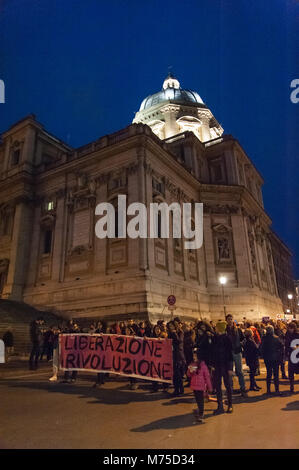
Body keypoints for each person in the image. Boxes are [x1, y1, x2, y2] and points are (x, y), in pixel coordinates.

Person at [211, 320, 233, 414]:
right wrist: (212, 365)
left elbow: (230, 354)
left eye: (216, 327)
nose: (215, 328)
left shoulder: (227, 338)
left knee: (228, 385)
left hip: (225, 365)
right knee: (218, 386)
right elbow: (212, 353)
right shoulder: (215, 338)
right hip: (217, 365)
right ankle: (220, 406)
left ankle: (230, 405)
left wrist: (230, 368)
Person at [187, 350, 212, 424]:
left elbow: (207, 377)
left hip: (201, 386)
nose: (194, 357)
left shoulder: (203, 366)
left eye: (196, 356)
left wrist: (209, 387)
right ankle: (200, 411)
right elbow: (188, 375)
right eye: (194, 356)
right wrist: (190, 371)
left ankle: (201, 414)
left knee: (200, 400)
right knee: (197, 399)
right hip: (194, 386)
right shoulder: (192, 364)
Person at [226, 314, 247, 397]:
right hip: (228, 353)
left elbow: (244, 338)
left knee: (240, 371)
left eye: (231, 319)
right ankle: (230, 389)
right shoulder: (225, 330)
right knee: (229, 372)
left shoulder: (237, 330)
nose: (230, 320)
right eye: (228, 319)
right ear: (226, 320)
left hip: (237, 352)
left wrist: (240, 344)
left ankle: (243, 388)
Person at [260, 325, 284, 396]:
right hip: (275, 359)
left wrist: (263, 356)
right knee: (276, 375)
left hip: (267, 359)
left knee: (269, 374)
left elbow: (261, 349)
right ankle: (277, 390)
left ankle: (268, 390)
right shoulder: (276, 338)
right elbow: (282, 347)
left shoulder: (264, 339)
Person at [167, 320, 186, 397]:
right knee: (174, 374)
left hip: (178, 355)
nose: (171, 328)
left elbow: (179, 341)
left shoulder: (180, 332)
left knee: (178, 374)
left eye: (172, 326)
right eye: (170, 326)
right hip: (172, 355)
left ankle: (181, 390)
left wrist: (174, 333)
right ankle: (176, 389)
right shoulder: (170, 333)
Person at [285, 322, 299, 394]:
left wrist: (296, 348)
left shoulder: (297, 335)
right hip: (291, 355)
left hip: (297, 355)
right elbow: (286, 344)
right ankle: (291, 387)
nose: (288, 329)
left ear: (293, 328)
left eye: (289, 328)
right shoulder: (287, 334)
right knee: (291, 372)